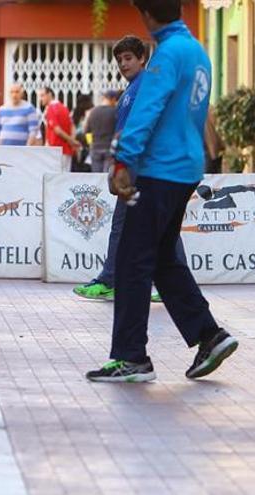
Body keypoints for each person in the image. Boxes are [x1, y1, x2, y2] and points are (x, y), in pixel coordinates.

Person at [86, 0, 238, 383]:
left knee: (132, 262)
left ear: (148, 16)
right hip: (185, 168)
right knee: (161, 259)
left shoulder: (165, 56)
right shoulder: (196, 51)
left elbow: (145, 113)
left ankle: (130, 356)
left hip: (158, 171)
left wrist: (123, 164)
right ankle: (209, 335)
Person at [73, 36, 163, 304]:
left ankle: (109, 280)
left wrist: (120, 164)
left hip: (138, 166)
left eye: (129, 58)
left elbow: (138, 128)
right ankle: (166, 285)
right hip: (141, 165)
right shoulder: (134, 89)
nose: (123, 64)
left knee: (124, 225)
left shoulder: (143, 87)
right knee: (159, 226)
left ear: (142, 59)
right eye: (120, 59)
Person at [39, 87, 81, 171]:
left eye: (42, 95)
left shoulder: (51, 108)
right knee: (65, 176)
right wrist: (72, 141)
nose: (40, 99)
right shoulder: (64, 108)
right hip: (67, 150)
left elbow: (57, 130)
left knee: (55, 177)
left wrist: (72, 141)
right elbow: (72, 126)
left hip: (55, 149)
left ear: (50, 94)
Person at [84, 89, 118, 173]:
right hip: (109, 148)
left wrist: (90, 143)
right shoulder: (114, 112)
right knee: (107, 177)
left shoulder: (93, 112)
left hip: (95, 148)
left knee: (96, 177)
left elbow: (87, 131)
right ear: (113, 99)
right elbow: (118, 131)